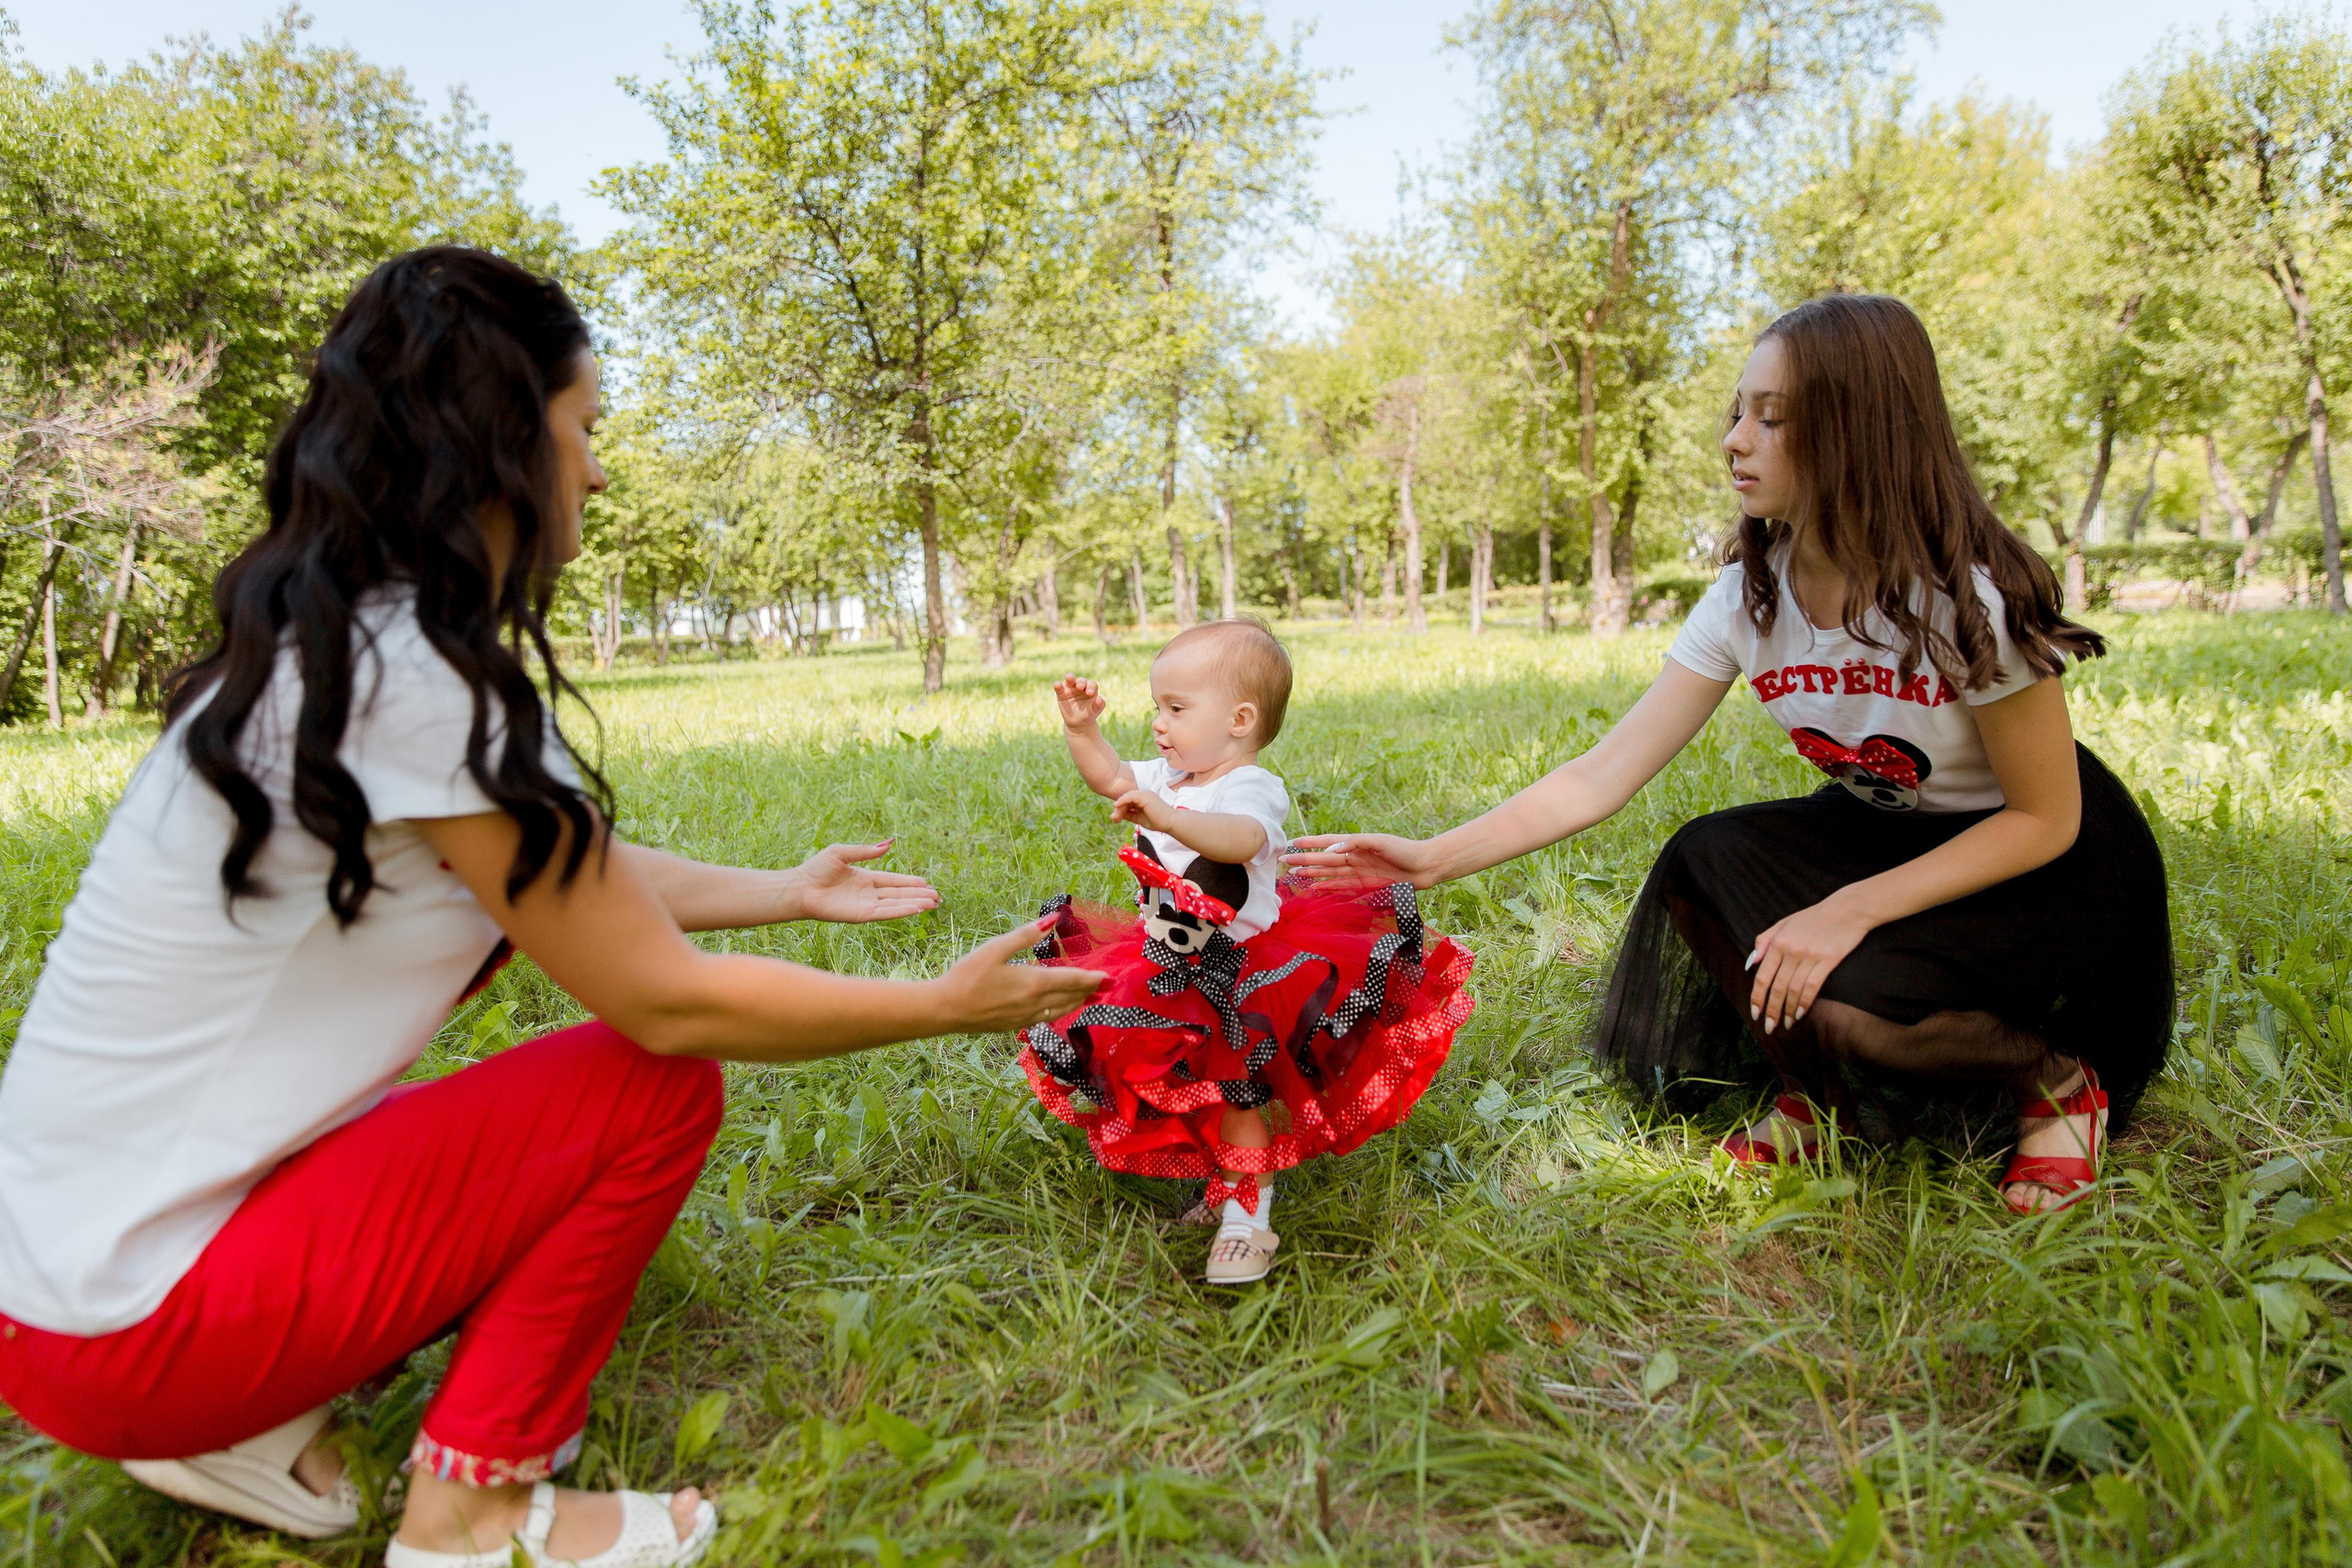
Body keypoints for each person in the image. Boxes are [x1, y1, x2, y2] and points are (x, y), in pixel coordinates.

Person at [0, 247, 1102, 1568]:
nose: (594, 468)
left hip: (51, 1293)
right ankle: (473, 1513)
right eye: (583, 429)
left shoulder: (325, 645)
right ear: (502, 442)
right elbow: (662, 990)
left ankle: (225, 1427)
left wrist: (788, 891)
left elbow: (558, 868)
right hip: (133, 1329)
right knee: (644, 1086)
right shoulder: (418, 679)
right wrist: (941, 1004)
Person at [1283, 294, 2171, 1215]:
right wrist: (1432, 859)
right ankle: (1828, 1102)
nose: (1737, 440)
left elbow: (2044, 818)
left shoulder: (1967, 597)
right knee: (1701, 862)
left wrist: (1845, 912)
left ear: (1859, 431)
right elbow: (1602, 773)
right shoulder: (1749, 596)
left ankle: (2056, 1082)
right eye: (1737, 412)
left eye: (1772, 418)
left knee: (1847, 1003)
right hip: (1888, 825)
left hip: (2040, 864)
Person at [1022, 618, 1474, 1284]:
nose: (1159, 723)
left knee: (1239, 1087)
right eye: (1156, 707)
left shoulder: (1247, 784)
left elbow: (1236, 839)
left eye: (1176, 708)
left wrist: (1170, 818)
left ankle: (1248, 1216)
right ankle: (1224, 1182)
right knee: (1192, 1084)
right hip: (1167, 964)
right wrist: (1082, 731)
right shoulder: (1172, 774)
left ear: (1238, 718)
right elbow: (1111, 775)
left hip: (1246, 973)